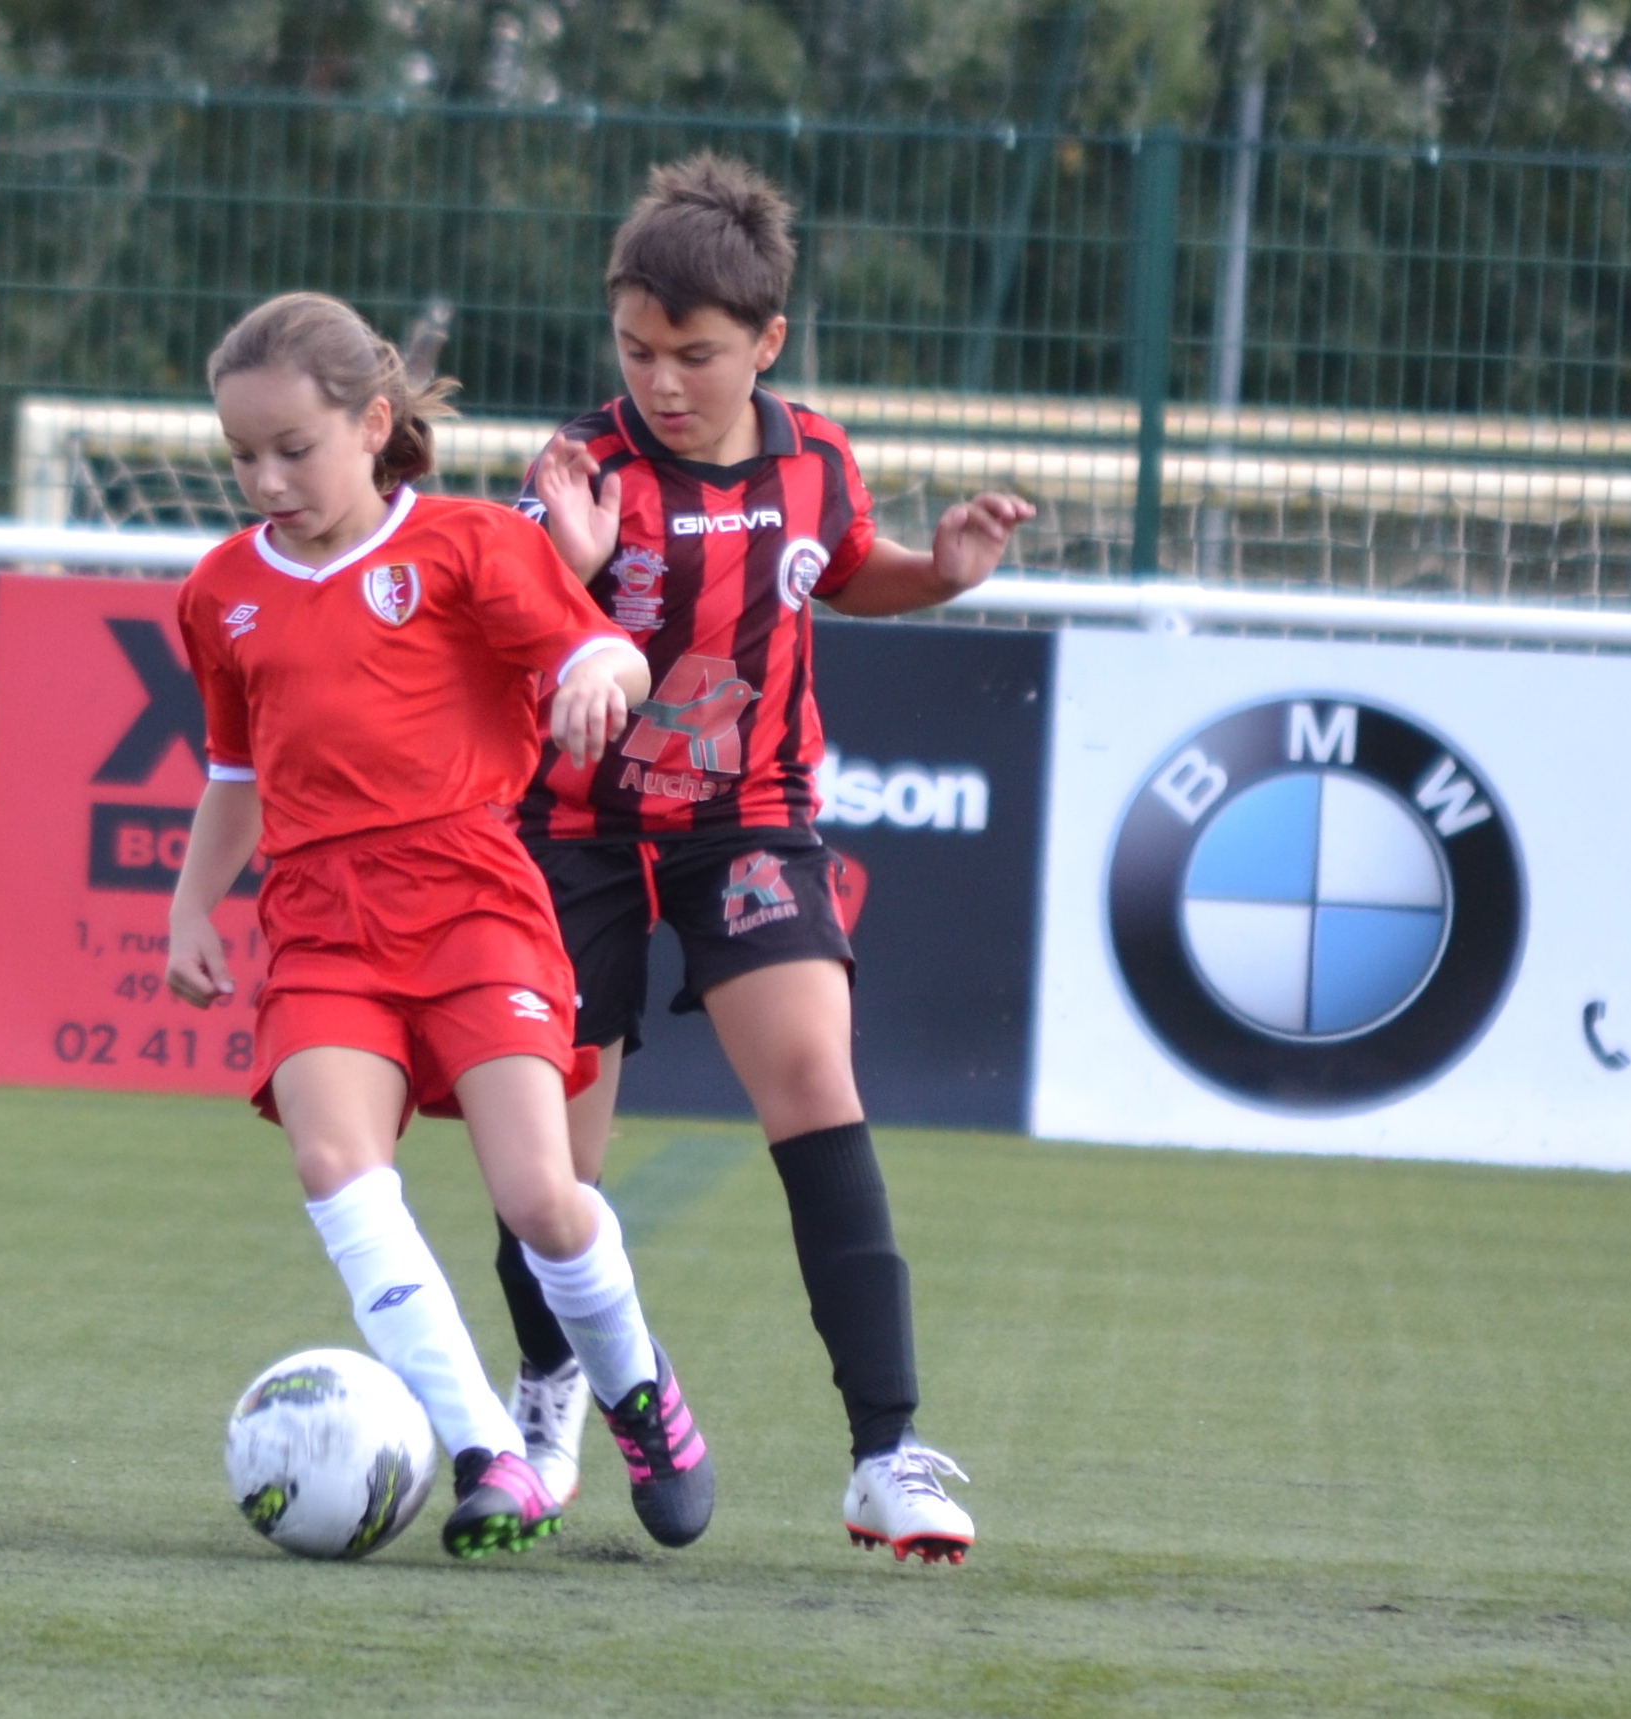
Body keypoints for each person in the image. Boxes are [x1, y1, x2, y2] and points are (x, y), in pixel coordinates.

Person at [491, 157, 1035, 1565]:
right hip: (574, 832)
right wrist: (568, 569)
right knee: (555, 1156)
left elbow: (846, 569)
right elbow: (507, 629)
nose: (661, 380)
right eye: (636, 349)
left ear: (767, 341)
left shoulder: (817, 461)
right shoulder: (578, 469)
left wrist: (942, 572)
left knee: (815, 1086)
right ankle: (549, 1388)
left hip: (751, 819)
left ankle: (886, 1451)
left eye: (695, 354)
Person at [163, 291, 716, 1560]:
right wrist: (193, 905)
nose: (265, 480)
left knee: (541, 1199)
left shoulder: (471, 546)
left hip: (472, 898)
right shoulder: (219, 594)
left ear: (372, 426)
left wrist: (598, 677)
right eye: (241, 456)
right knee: (334, 1167)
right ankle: (488, 1454)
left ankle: (637, 1390)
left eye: (292, 449)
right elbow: (237, 773)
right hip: (319, 918)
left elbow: (604, 655)